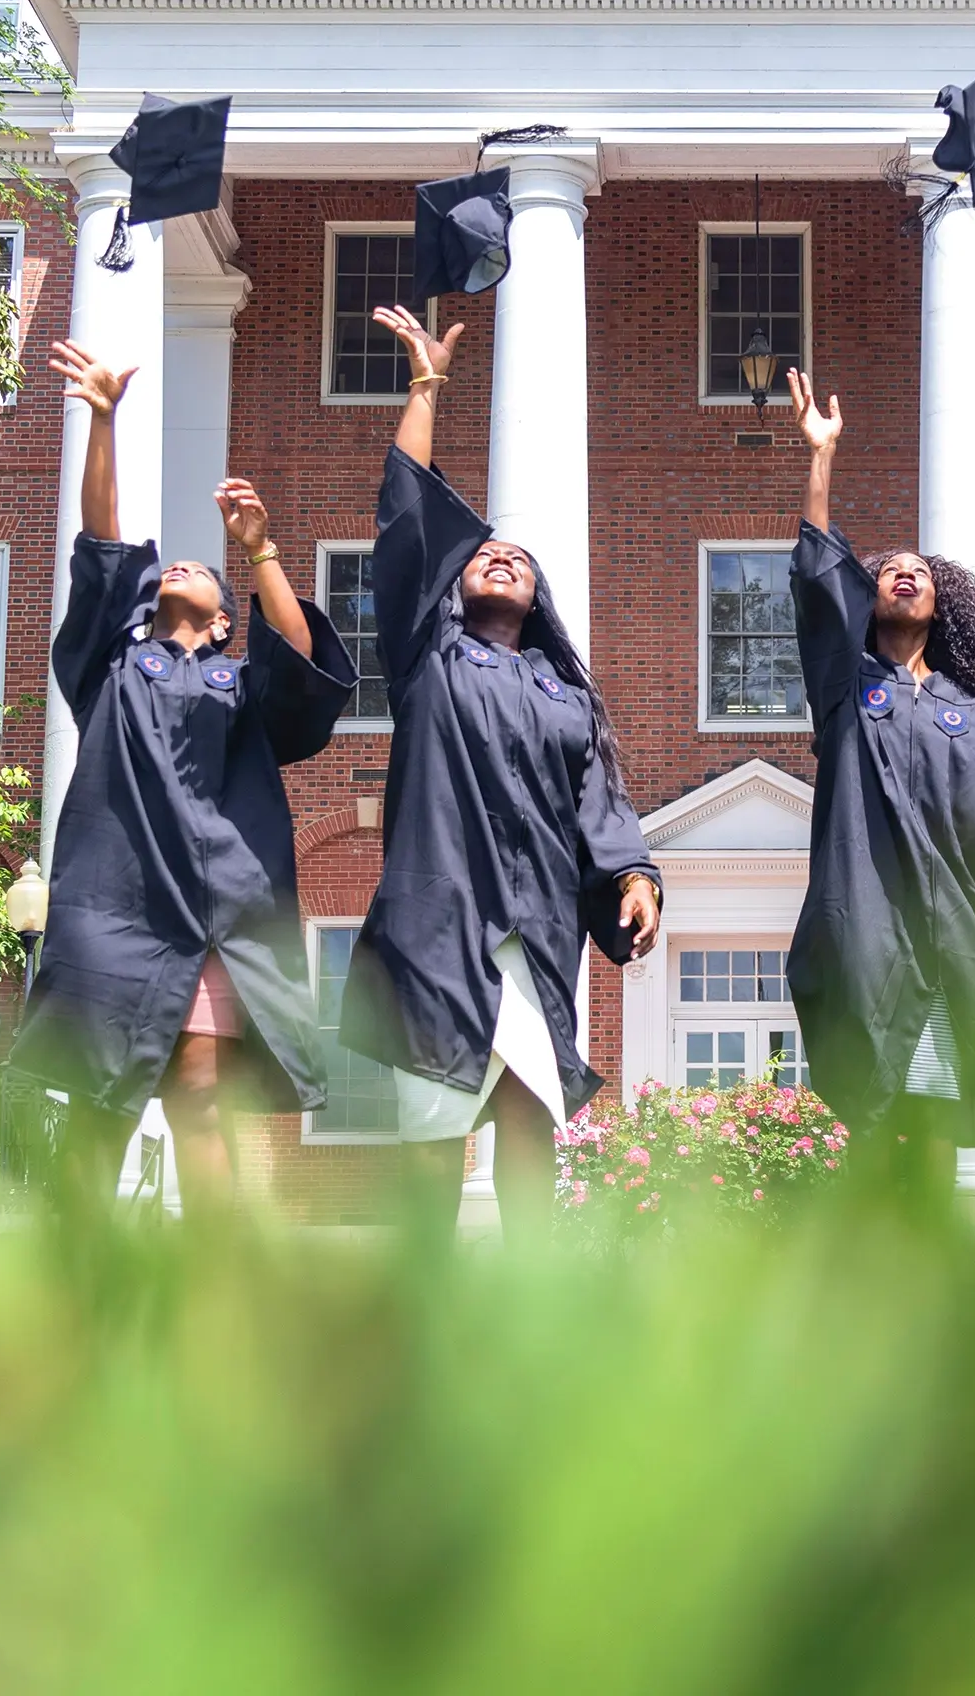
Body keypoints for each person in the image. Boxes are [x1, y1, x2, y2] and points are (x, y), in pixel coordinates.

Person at [333, 304, 661, 1245]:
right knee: (434, 1134)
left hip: (536, 927)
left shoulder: (566, 695)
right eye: (482, 555)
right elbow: (403, 526)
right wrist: (427, 388)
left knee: (530, 1123)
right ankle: (425, 1314)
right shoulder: (427, 657)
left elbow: (601, 805)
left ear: (540, 597)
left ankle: (529, 1314)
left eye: (518, 557)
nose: (501, 556)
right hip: (439, 923)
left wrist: (636, 876)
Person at [6, 338, 356, 1212]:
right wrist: (102, 418)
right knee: (98, 1105)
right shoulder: (111, 668)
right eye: (171, 569)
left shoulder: (242, 684)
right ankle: (79, 1283)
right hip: (114, 905)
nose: (182, 565)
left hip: (221, 911)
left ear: (230, 622)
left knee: (200, 1097)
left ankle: (212, 1293)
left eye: (203, 569)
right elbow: (101, 543)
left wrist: (263, 549)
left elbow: (305, 672)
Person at [785, 368, 975, 1193]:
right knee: (876, 1124)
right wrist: (821, 460)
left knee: (935, 1125)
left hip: (949, 942)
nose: (903, 575)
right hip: (871, 933)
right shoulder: (847, 686)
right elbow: (816, 584)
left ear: (942, 604)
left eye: (920, 571)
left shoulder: (966, 711)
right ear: (867, 600)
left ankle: (935, 1291)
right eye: (887, 572)